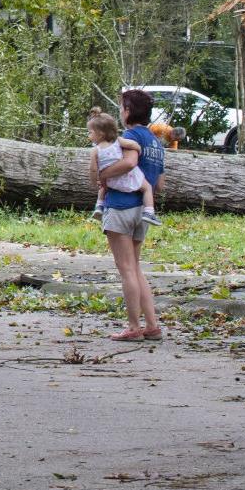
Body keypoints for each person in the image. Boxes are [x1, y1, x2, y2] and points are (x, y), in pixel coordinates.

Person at [91, 88, 166, 342]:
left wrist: (102, 176)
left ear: (128, 111)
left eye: (122, 107)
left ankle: (134, 328)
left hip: (122, 206)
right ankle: (152, 326)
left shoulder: (131, 135)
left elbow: (130, 162)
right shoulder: (156, 141)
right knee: (135, 268)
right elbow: (160, 184)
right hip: (142, 210)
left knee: (126, 270)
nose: (121, 111)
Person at [89, 109, 160, 226]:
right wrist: (139, 149)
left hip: (110, 181)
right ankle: (149, 212)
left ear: (100, 134)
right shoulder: (118, 141)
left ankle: (99, 205)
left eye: (90, 132)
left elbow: (93, 168)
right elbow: (132, 144)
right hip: (127, 177)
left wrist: (94, 180)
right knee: (147, 187)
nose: (89, 135)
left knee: (103, 187)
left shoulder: (95, 150)